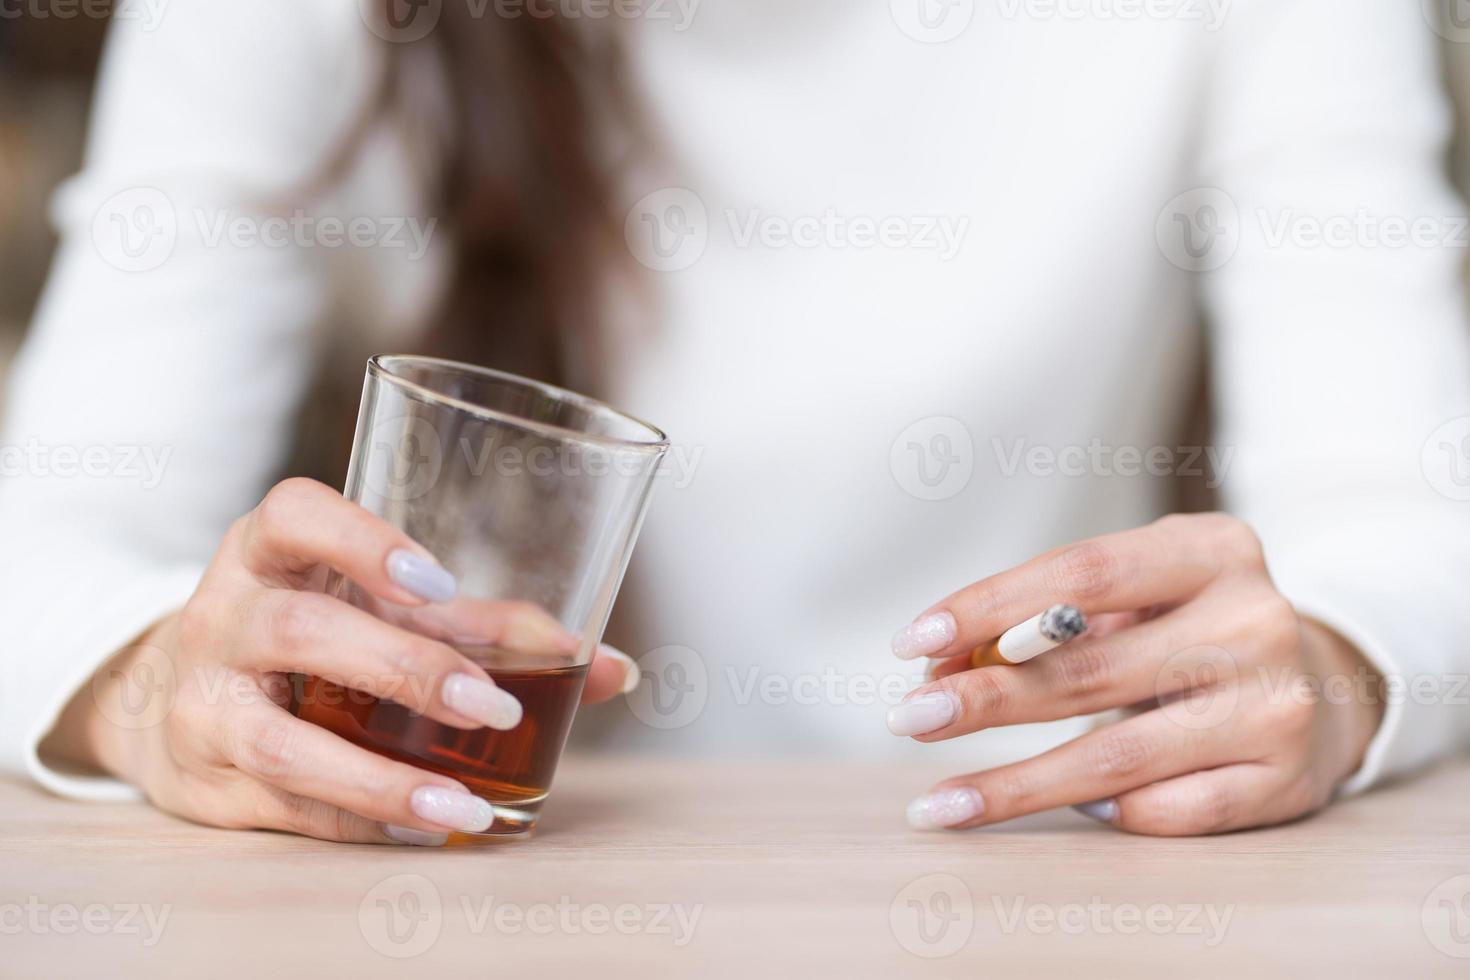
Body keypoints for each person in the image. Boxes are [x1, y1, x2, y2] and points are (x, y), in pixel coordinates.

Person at [2, 0, 1468, 845]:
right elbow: (42, 539)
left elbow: (1407, 517)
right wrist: (145, 686)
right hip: (494, 895)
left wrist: (1335, 665)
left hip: (1043, 876)